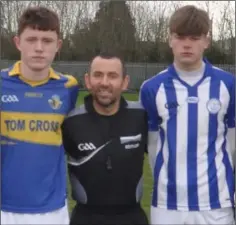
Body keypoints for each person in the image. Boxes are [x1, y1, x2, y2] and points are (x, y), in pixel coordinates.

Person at [139, 5, 235, 225]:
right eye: (180, 36)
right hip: (167, 203)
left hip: (216, 202)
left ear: (206, 41)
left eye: (194, 37)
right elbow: (152, 146)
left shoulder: (228, 85)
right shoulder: (152, 88)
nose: (187, 44)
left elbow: (232, 144)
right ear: (170, 39)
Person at [0, 6, 78, 225]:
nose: (39, 48)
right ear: (18, 42)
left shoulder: (68, 87)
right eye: (31, 39)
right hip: (4, 207)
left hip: (52, 209)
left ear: (58, 46)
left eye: (47, 41)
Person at [61, 52, 149, 225]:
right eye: (98, 75)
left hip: (132, 217)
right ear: (87, 80)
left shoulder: (141, 117)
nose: (104, 83)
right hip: (85, 218)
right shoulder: (71, 122)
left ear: (125, 82)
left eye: (113, 76)